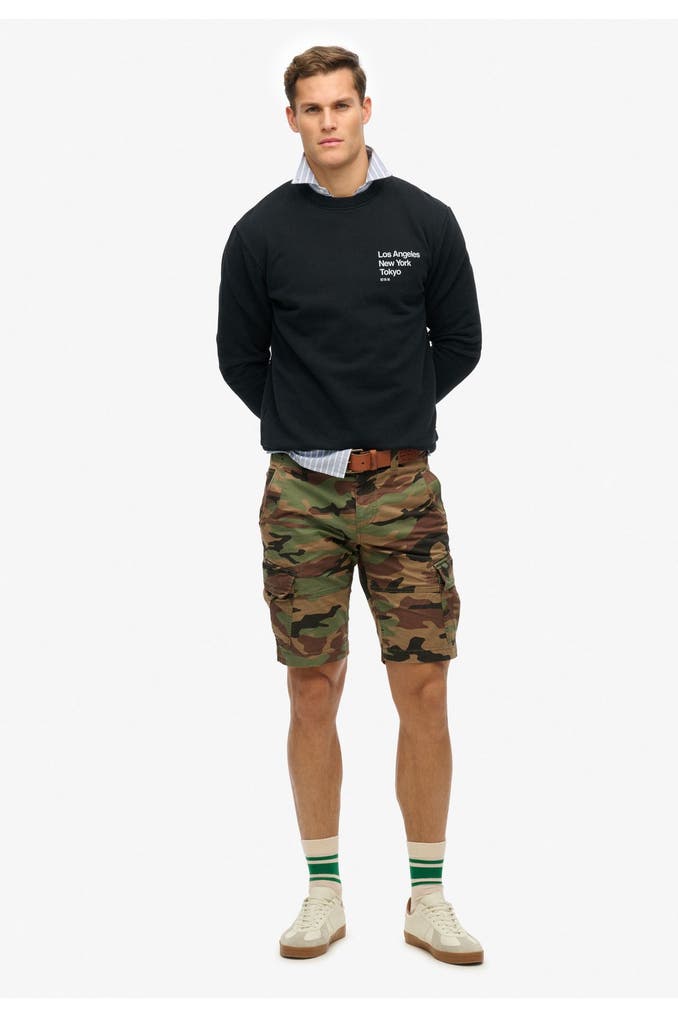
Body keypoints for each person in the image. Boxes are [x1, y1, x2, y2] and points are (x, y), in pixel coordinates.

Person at [216, 44, 484, 965]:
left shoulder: (425, 220)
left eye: (341, 104)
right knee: (311, 685)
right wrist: (310, 421)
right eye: (311, 107)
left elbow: (460, 342)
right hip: (302, 493)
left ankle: (427, 896)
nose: (328, 121)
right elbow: (239, 358)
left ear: (367, 108)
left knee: (426, 687)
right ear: (291, 119)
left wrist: (390, 415)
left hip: (403, 487)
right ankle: (323, 889)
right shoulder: (260, 233)